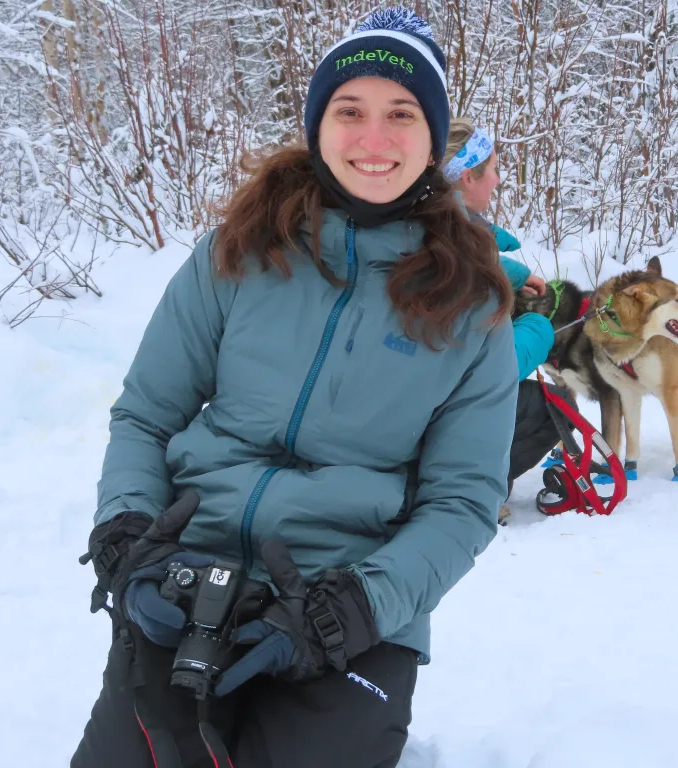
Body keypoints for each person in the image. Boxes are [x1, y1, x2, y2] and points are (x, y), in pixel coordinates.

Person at [71, 8, 518, 768]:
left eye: (401, 115)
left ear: (432, 136)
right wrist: (128, 534)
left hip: (347, 605)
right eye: (350, 111)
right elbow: (146, 416)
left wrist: (357, 606)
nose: (373, 140)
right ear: (319, 124)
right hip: (190, 571)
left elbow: (464, 503)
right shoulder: (238, 252)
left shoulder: (471, 305)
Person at [440, 118, 578, 508]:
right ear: (468, 176)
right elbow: (489, 369)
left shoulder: (430, 229)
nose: (498, 179)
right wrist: (537, 330)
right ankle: (476, 493)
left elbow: (470, 262)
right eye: (495, 169)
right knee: (557, 403)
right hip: (441, 412)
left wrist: (514, 273)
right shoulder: (459, 252)